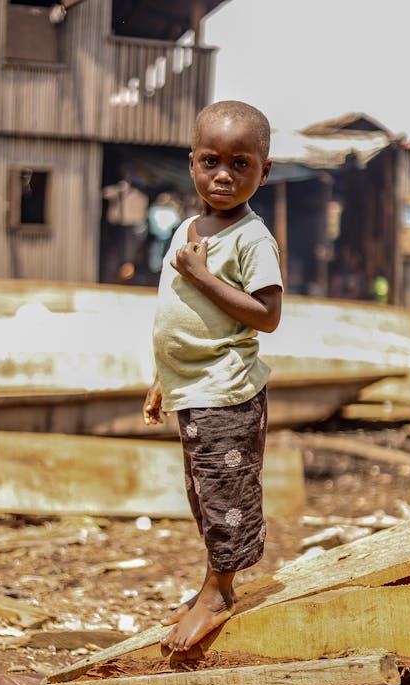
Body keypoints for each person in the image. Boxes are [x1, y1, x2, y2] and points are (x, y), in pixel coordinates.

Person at [142, 100, 284, 653]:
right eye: (211, 161)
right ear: (192, 163)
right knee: (203, 492)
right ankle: (212, 582)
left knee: (227, 493)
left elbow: (267, 316)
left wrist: (201, 275)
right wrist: (162, 378)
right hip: (193, 388)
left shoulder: (251, 238)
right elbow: (176, 314)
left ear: (263, 171)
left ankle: (220, 590)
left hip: (227, 391)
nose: (224, 175)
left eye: (241, 164)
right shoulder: (187, 227)